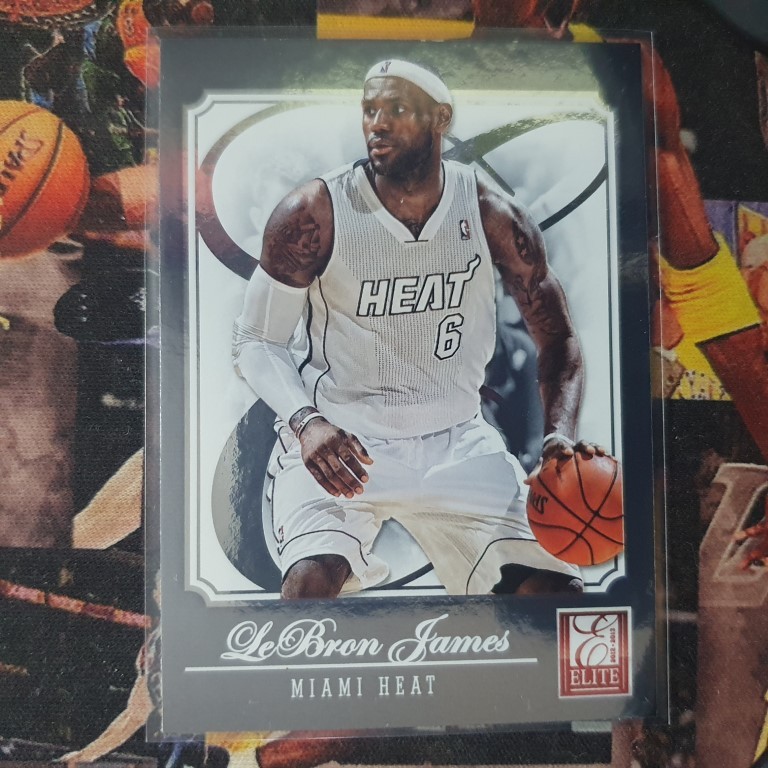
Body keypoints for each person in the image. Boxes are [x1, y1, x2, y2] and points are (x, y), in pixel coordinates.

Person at [233, 59, 603, 599]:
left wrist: (557, 440)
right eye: (369, 110)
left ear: (440, 119)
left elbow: (559, 339)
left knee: (553, 597)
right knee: (309, 588)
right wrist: (307, 423)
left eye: (397, 109)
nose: (378, 123)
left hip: (457, 442)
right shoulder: (314, 214)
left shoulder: (491, 214)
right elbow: (256, 340)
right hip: (341, 441)